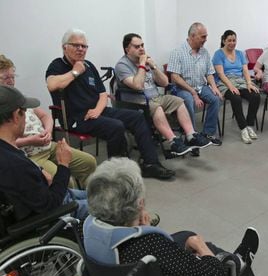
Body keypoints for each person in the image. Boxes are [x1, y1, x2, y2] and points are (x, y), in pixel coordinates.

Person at [84, 157, 260, 276]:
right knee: (211, 253)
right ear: (139, 204)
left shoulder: (88, 226)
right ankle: (241, 261)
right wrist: (200, 246)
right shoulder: (152, 244)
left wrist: (140, 228)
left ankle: (239, 262)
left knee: (186, 235)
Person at [46, 28, 174, 180]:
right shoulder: (57, 65)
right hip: (77, 118)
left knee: (137, 117)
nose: (81, 49)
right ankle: (117, 172)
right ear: (64, 47)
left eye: (84, 46)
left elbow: (102, 94)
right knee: (116, 126)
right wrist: (75, 72)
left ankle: (150, 164)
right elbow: (52, 85)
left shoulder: (89, 65)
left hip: (97, 112)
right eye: (76, 45)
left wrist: (98, 110)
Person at [0, 54, 96, 189]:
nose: (11, 82)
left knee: (89, 162)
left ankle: (91, 195)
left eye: (13, 77)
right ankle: (70, 206)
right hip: (30, 154)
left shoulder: (19, 97)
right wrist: (31, 140)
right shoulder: (2, 108)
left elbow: (45, 116)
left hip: (47, 144)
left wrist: (47, 131)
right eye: (5, 78)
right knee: (66, 180)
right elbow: (4, 145)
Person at [114, 33, 212, 157]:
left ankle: (191, 135)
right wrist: (142, 65)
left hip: (156, 97)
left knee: (178, 101)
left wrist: (153, 66)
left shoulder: (146, 62)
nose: (142, 49)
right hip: (137, 102)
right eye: (137, 46)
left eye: (142, 45)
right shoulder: (122, 65)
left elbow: (165, 83)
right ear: (127, 49)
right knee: (156, 107)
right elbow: (138, 85)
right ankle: (173, 142)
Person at [0, 85, 88, 221]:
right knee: (118, 204)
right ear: (16, 115)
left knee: (102, 194)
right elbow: (51, 205)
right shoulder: (14, 165)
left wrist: (39, 170)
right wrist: (63, 165)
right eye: (25, 112)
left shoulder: (7, 150)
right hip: (55, 211)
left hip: (44, 195)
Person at [168, 22, 223, 147]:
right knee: (188, 100)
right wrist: (193, 92)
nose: (205, 40)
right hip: (183, 88)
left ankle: (208, 133)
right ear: (192, 36)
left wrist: (214, 88)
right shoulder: (177, 52)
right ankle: (191, 135)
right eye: (203, 37)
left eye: (206, 36)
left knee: (216, 99)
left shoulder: (204, 52)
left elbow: (209, 73)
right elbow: (175, 77)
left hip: (200, 86)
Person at [212, 30, 261, 144]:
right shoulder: (218, 54)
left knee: (255, 96)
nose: (232, 43)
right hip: (224, 82)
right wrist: (230, 86)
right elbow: (220, 74)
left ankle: (249, 125)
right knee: (236, 98)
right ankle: (243, 128)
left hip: (240, 81)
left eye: (234, 40)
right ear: (224, 41)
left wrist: (249, 83)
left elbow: (245, 70)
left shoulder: (239, 53)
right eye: (229, 40)